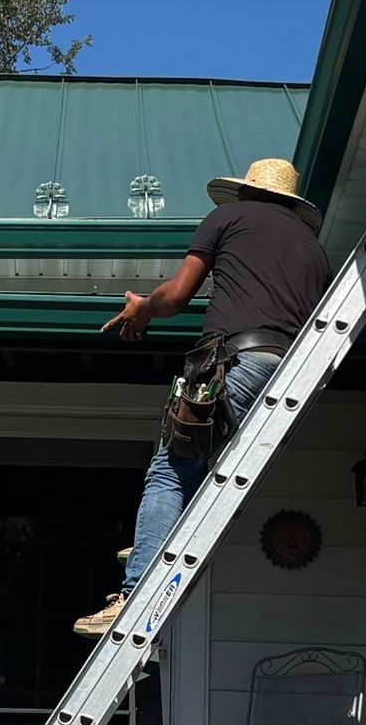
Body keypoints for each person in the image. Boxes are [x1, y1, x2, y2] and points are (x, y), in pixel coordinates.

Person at [77, 157, 329, 636]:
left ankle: (133, 596)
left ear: (248, 192)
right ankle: (153, 540)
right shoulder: (314, 249)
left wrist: (142, 307)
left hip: (234, 362)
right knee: (201, 463)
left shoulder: (227, 217)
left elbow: (176, 297)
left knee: (170, 470)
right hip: (288, 373)